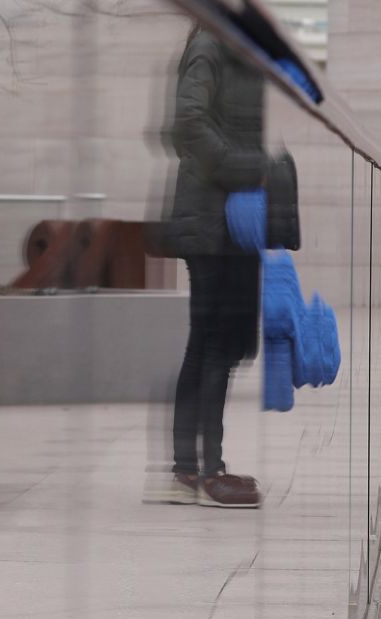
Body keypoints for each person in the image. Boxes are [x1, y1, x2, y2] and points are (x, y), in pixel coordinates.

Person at [149, 26, 268, 508]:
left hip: (224, 218)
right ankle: (199, 470)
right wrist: (246, 167)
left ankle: (190, 470)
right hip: (211, 219)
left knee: (213, 343)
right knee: (212, 344)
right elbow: (188, 123)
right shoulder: (210, 45)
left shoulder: (230, 47)